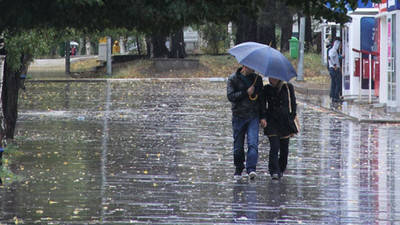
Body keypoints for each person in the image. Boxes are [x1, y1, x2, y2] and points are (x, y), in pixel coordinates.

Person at [227, 66, 267, 180]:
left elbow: (261, 99)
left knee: (253, 143)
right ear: (245, 66)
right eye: (251, 66)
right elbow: (231, 96)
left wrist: (263, 116)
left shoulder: (257, 79)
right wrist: (246, 92)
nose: (254, 68)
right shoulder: (233, 79)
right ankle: (239, 167)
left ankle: (251, 169)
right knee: (238, 146)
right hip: (238, 116)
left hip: (253, 116)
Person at [262, 77, 297, 180]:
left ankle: (281, 168)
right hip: (272, 121)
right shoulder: (267, 89)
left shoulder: (288, 87)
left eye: (274, 77)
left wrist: (292, 116)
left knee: (284, 148)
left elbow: (293, 103)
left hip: (285, 122)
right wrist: (263, 117)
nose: (271, 79)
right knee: (274, 145)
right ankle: (274, 171)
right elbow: (263, 105)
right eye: (270, 77)